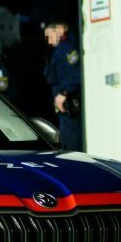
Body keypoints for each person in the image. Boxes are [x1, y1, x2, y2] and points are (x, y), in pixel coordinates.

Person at [41, 14, 83, 151]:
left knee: (72, 149)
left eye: (50, 35)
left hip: (70, 106)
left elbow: (77, 74)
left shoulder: (67, 48)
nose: (48, 41)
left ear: (60, 29)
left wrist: (64, 93)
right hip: (64, 111)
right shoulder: (60, 49)